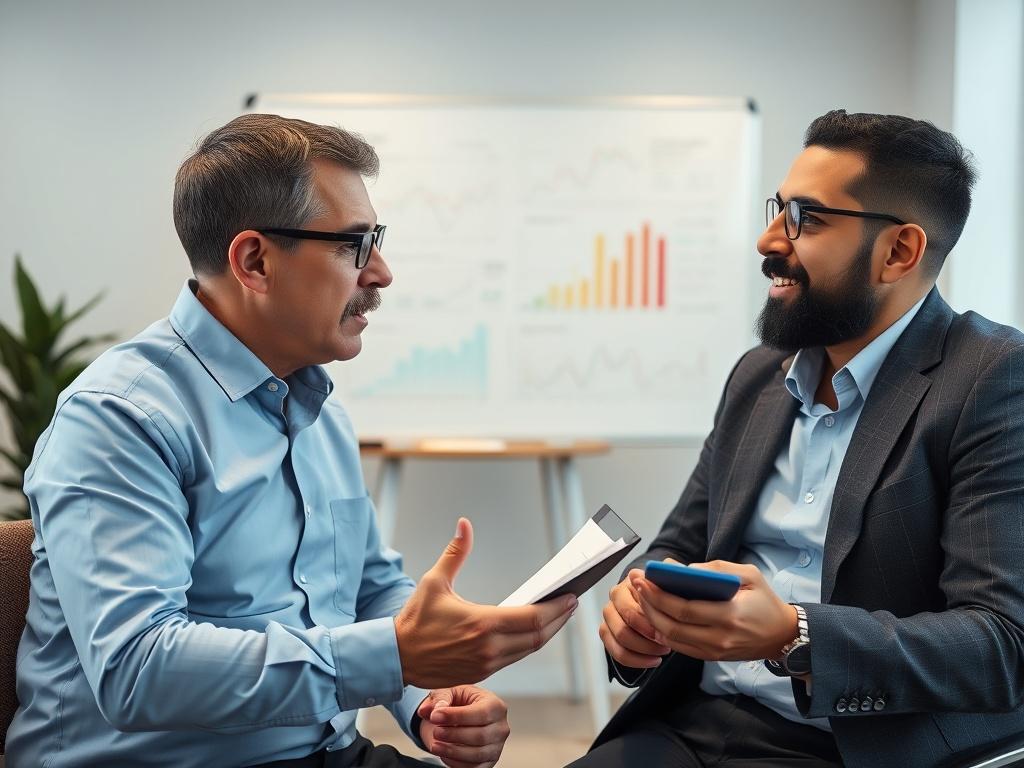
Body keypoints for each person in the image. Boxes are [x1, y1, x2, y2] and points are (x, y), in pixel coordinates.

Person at [5, 113, 578, 768]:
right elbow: (137, 667)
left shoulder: (316, 406)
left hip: (326, 751)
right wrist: (392, 654)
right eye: (354, 245)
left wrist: (430, 695)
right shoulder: (119, 419)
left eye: (377, 241)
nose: (382, 272)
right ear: (254, 261)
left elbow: (367, 586)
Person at [571, 110, 1024, 768]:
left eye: (805, 219)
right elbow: (684, 545)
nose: (766, 240)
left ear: (899, 251)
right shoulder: (759, 375)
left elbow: (1002, 645)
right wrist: (638, 615)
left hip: (848, 747)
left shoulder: (992, 380)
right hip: (692, 724)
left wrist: (794, 632)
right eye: (778, 210)